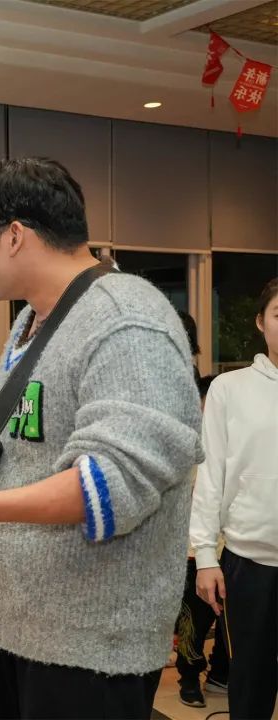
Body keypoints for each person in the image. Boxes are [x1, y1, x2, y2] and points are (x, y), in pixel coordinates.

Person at [0, 157, 203, 719]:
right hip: (14, 627)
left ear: (14, 235)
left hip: (89, 646)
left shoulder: (126, 319)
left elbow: (111, 484)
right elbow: (31, 457)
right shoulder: (30, 322)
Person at [190, 277, 278, 720]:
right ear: (261, 322)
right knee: (251, 681)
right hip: (250, 559)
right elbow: (211, 476)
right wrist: (205, 555)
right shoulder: (230, 388)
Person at [175, 370, 229, 708]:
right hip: (193, 550)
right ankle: (189, 677)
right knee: (193, 621)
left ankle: (221, 672)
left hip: (231, 546)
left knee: (230, 620)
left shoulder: (230, 440)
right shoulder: (186, 444)